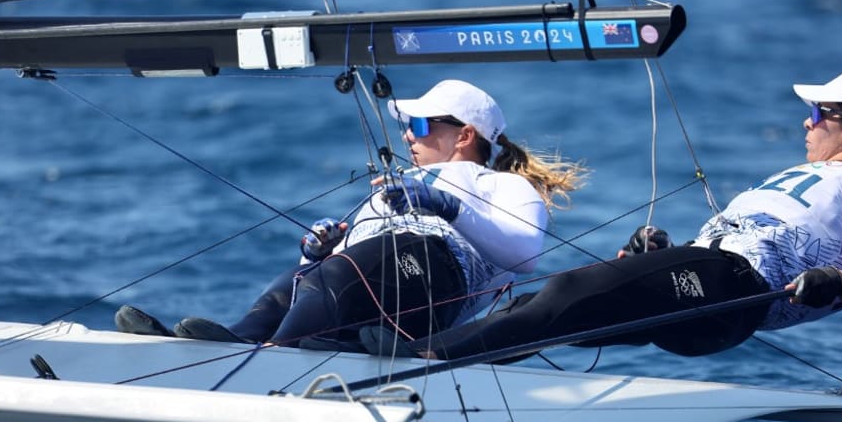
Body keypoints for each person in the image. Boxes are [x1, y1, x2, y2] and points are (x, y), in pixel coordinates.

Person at [360, 69, 842, 362]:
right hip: (707, 287)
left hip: (730, 293)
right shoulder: (824, 177)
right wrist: (656, 256)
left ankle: (419, 362)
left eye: (820, 114)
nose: (807, 122)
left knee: (567, 290)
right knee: (560, 315)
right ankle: (442, 359)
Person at [116, 79, 585, 347]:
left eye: (419, 125)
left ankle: (271, 357)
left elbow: (524, 254)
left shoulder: (504, 183)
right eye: (406, 126)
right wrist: (313, 254)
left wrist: (444, 205)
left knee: (352, 268)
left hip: (432, 284)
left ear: (464, 136)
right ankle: (232, 344)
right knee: (296, 282)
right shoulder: (404, 185)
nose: (408, 136)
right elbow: (337, 265)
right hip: (371, 282)